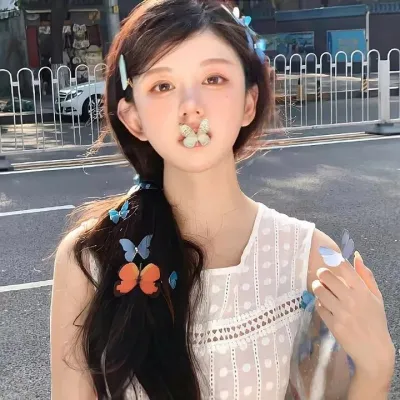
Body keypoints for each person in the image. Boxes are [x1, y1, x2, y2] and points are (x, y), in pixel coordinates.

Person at [50, 1, 395, 399]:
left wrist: (376, 369)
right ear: (134, 118)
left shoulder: (311, 260)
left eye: (213, 79)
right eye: (162, 86)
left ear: (249, 101)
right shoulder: (88, 259)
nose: (191, 105)